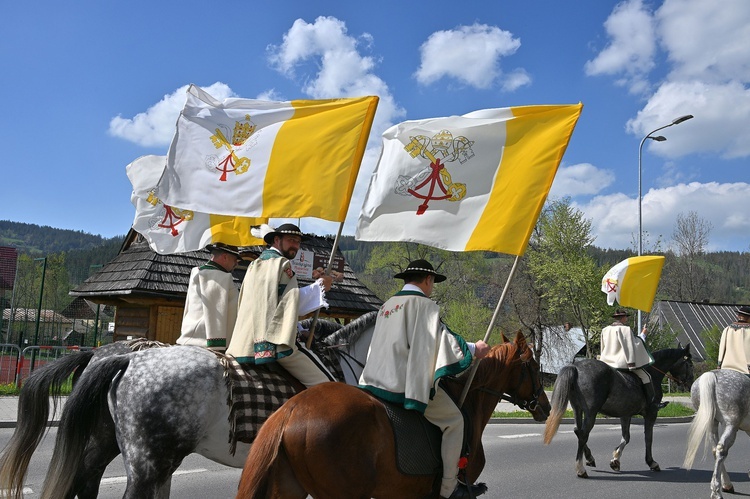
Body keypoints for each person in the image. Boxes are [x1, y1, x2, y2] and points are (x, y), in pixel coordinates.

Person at [359, 259, 490, 499]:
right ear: (428, 280)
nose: (432, 288)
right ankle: (449, 488)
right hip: (402, 382)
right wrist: (474, 348)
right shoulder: (425, 306)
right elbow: (442, 340)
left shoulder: (387, 305)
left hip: (374, 380)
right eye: (433, 283)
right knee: (454, 421)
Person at [226, 223, 336, 387]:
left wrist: (298, 328)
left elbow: (270, 305)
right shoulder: (282, 264)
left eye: (298, 242)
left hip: (243, 344)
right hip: (274, 344)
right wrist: (320, 287)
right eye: (291, 240)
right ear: (276, 240)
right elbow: (291, 305)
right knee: (327, 386)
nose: (295, 246)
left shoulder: (255, 264)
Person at [176, 242, 241, 353]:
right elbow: (216, 312)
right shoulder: (219, 276)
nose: (236, 263)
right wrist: (217, 346)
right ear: (225, 257)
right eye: (235, 259)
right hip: (206, 343)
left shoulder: (199, 271)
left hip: (192, 337)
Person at [599, 309, 662, 410]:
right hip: (621, 363)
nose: (627, 319)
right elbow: (632, 345)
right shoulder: (625, 330)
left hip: (607, 362)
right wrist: (643, 334)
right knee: (646, 376)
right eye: (626, 317)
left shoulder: (605, 330)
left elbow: (603, 346)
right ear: (623, 318)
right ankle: (652, 403)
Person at [717, 305, 750, 374]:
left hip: (725, 367)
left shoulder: (727, 329)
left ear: (738, 316)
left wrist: (719, 364)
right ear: (748, 318)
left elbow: (721, 349)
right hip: (745, 369)